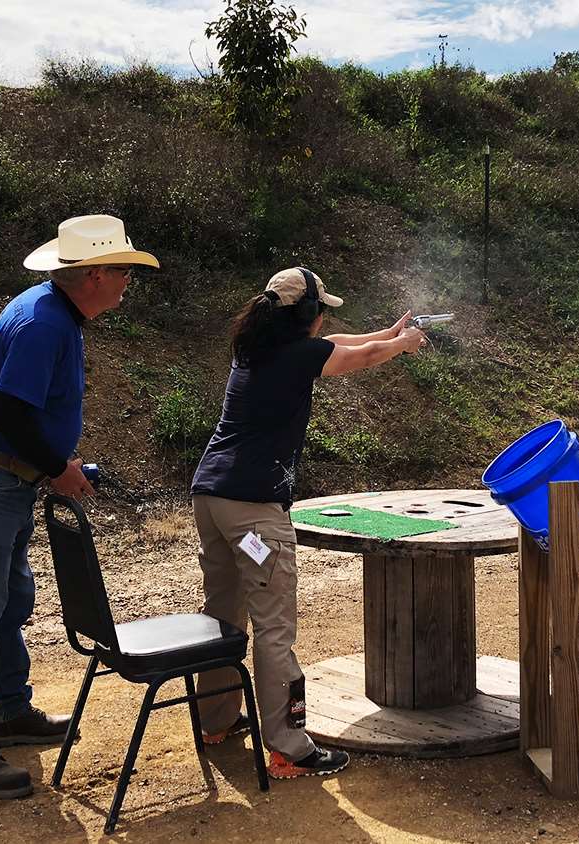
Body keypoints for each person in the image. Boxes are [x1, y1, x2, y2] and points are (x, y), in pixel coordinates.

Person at [0, 215, 158, 799]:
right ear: (93, 275)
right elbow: (10, 411)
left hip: (1, 477)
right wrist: (59, 469)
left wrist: (56, 462)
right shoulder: (44, 324)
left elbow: (24, 413)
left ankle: (9, 711)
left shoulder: (54, 314)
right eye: (123, 271)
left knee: (8, 602)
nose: (127, 282)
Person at [190, 267, 426, 778]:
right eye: (321, 310)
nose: (324, 319)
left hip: (211, 496)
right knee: (273, 628)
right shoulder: (299, 355)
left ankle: (215, 722)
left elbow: (340, 342)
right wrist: (402, 345)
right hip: (253, 507)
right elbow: (354, 356)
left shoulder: (254, 350)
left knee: (222, 617)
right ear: (307, 317)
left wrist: (390, 331)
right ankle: (288, 746)